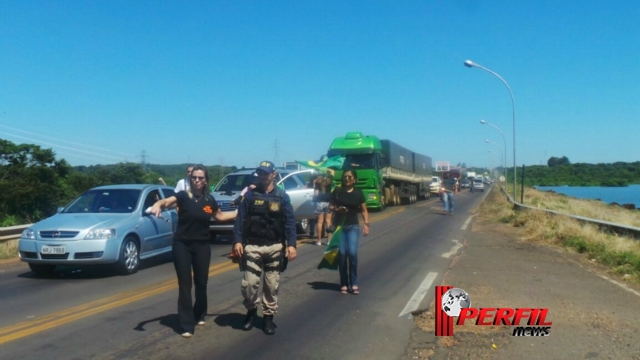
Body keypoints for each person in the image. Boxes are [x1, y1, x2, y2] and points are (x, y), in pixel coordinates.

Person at [150, 164, 237, 338]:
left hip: (202, 245)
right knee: (185, 284)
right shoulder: (183, 196)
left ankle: (200, 313)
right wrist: (158, 204)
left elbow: (219, 216)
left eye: (201, 178)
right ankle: (187, 324)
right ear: (190, 179)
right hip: (182, 244)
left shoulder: (209, 200)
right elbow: (167, 201)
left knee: (201, 282)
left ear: (206, 181)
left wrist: (240, 212)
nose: (197, 180)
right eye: (194, 178)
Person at [232, 160, 298, 335]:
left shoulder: (283, 196)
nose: (262, 176)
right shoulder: (250, 195)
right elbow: (240, 220)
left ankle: (268, 317)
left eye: (265, 173)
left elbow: (290, 222)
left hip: (275, 246)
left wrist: (291, 245)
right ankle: (251, 311)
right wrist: (237, 241)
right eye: (260, 173)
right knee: (249, 284)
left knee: (271, 284)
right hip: (253, 246)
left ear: (273, 175)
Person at [329, 169, 369, 295]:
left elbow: (364, 210)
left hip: (353, 226)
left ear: (354, 179)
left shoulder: (358, 193)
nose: (347, 179)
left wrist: (366, 224)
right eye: (345, 177)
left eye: (350, 177)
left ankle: (354, 282)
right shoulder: (338, 191)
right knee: (342, 254)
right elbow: (330, 206)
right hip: (339, 227)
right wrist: (337, 209)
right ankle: (344, 283)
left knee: (352, 253)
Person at [314, 173, 333, 246]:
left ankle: (319, 241)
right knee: (328, 221)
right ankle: (329, 241)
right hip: (328, 202)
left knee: (319, 222)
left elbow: (316, 194)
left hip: (320, 202)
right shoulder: (329, 182)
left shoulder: (317, 182)